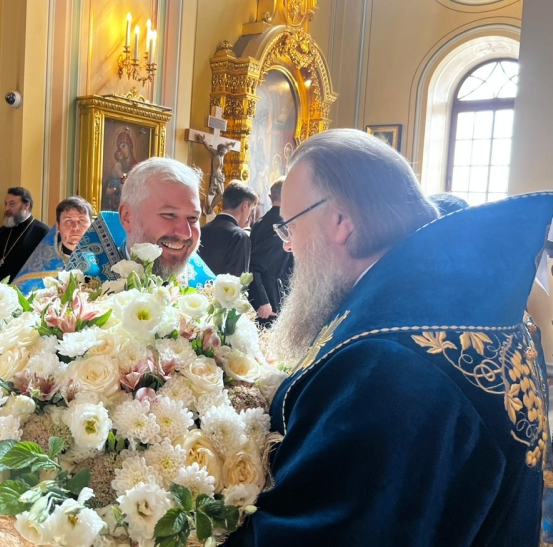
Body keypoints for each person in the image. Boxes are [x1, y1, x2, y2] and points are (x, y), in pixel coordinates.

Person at [225, 129, 551, 546]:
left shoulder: (383, 363)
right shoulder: (483, 307)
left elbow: (322, 534)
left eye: (289, 227)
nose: (289, 247)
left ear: (341, 222)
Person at [67, 157, 215, 287]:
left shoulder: (209, 293)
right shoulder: (83, 288)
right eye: (169, 215)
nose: (184, 233)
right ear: (127, 217)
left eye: (193, 218)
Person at [12, 196, 93, 293]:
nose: (75, 227)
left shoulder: (102, 260)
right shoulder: (40, 264)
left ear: (91, 225)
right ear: (58, 227)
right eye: (68, 221)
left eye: (81, 221)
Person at [0, 187, 49, 290]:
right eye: (6, 204)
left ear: (26, 205)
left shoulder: (42, 232)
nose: (7, 208)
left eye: (12, 204)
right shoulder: (1, 232)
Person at [248, 177, 293, 326]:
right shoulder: (282, 227)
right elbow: (255, 265)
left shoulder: (260, 222)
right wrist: (263, 301)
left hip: (259, 296)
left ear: (270, 197)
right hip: (270, 300)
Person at [198, 180, 257, 277]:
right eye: (251, 210)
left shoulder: (201, 230)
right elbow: (238, 282)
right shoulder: (239, 237)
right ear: (245, 206)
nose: (249, 216)